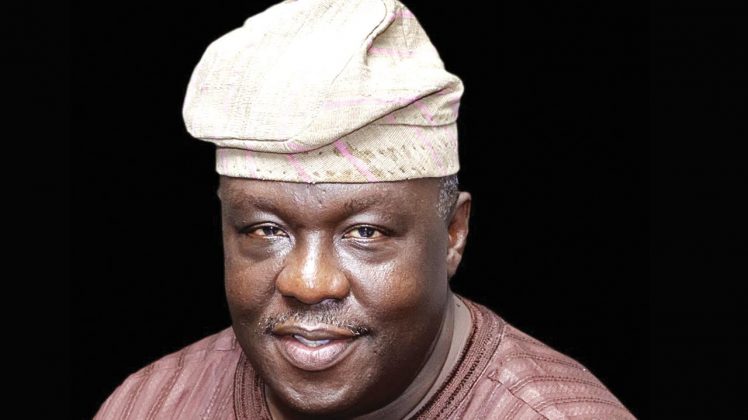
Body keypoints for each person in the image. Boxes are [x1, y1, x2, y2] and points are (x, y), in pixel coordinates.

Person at [95, 0, 635, 418]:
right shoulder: (150, 405)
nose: (308, 283)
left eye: (366, 233)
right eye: (265, 229)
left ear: (453, 233)